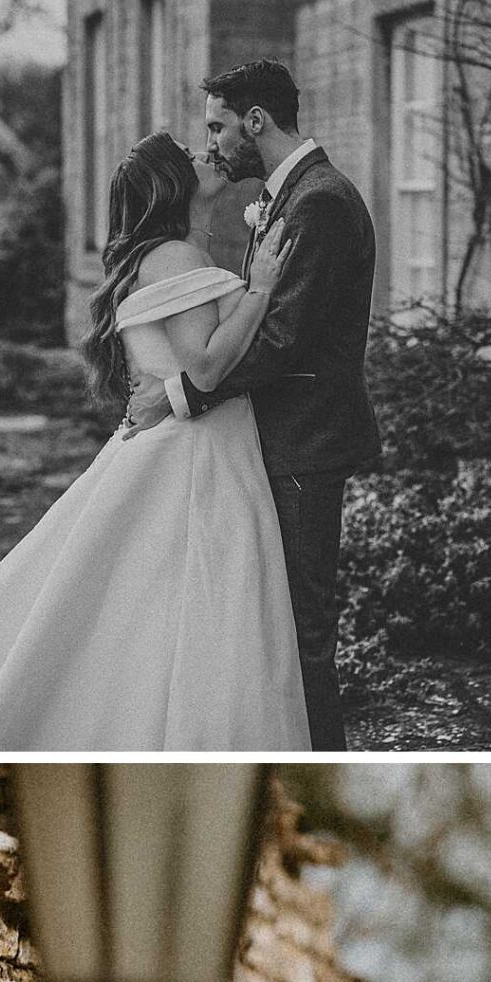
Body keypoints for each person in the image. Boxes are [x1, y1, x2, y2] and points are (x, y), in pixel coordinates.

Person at [0, 132, 310, 753]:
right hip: (195, 456)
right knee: (197, 607)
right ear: (175, 183)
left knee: (142, 611)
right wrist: (258, 290)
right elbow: (203, 370)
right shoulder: (175, 257)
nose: (209, 154)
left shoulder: (169, 254)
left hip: (184, 444)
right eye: (193, 154)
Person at [123, 58, 382, 750]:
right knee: (275, 624)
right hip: (278, 439)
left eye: (218, 126)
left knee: (304, 631)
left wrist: (178, 393)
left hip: (304, 444)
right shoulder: (295, 194)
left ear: (256, 121)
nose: (211, 144)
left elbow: (280, 341)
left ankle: (321, 756)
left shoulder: (319, 200)